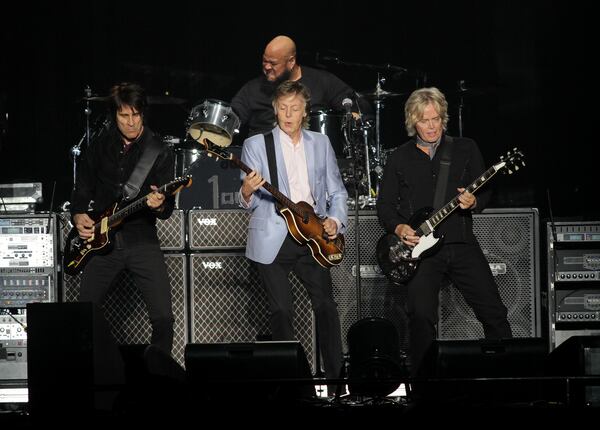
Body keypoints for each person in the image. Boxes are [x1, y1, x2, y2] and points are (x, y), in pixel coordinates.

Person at [376, 87, 512, 377]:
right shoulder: (399, 157)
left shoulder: (465, 148)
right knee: (421, 316)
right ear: (413, 122)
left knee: (494, 313)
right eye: (425, 121)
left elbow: (486, 193)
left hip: (461, 242)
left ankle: (504, 378)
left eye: (436, 119)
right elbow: (385, 205)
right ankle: (424, 385)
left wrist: (475, 201)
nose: (432, 126)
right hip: (420, 252)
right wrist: (399, 227)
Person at [239, 80, 348, 393]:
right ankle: (292, 389)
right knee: (282, 310)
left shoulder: (321, 143)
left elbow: (336, 190)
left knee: (326, 306)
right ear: (275, 109)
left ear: (305, 112)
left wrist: (336, 222)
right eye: (282, 108)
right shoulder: (257, 145)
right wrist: (247, 189)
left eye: (295, 108)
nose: (288, 114)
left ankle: (338, 386)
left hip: (313, 235)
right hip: (274, 237)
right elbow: (247, 200)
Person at [70, 82, 176, 355]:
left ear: (143, 114)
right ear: (113, 115)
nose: (130, 122)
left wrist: (158, 204)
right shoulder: (99, 147)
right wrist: (79, 214)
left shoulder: (159, 151)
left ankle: (160, 374)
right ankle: (92, 375)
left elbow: (166, 210)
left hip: (142, 239)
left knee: (163, 317)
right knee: (83, 315)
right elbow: (82, 188)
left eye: (136, 115)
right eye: (123, 116)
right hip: (101, 241)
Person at [231, 35, 363, 138]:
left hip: (309, 157)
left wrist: (354, 114)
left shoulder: (321, 81)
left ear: (291, 62)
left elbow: (356, 104)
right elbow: (232, 117)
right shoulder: (252, 89)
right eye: (264, 61)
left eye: (273, 63)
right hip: (263, 159)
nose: (267, 67)